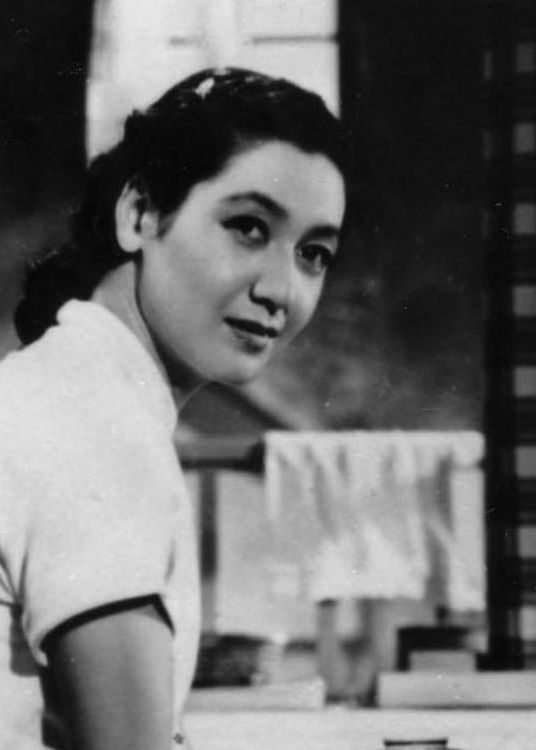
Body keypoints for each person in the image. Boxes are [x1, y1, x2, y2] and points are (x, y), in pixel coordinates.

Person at [0, 68, 351, 749]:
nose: (282, 288)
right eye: (248, 227)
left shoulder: (55, 382)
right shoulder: (98, 426)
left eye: (313, 254)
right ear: (139, 215)